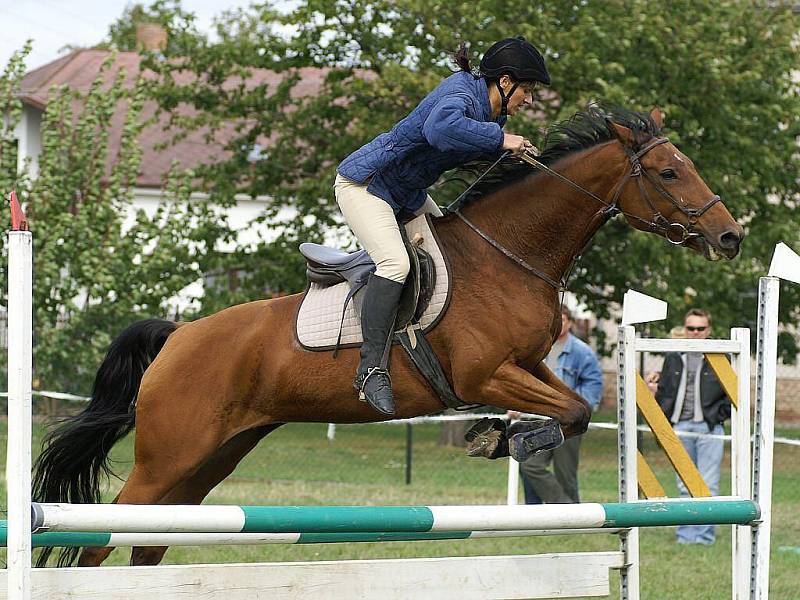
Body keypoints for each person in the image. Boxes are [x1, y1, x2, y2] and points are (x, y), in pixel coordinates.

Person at [335, 37, 551, 415]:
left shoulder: (491, 114)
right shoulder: (460, 94)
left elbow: (472, 151)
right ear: (504, 82)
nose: (529, 100)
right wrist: (501, 139)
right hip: (366, 185)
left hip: (406, 193)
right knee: (395, 265)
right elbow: (440, 130)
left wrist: (517, 157)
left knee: (458, 251)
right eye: (527, 90)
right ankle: (370, 370)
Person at [645, 308, 732, 545]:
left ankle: (704, 537)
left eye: (700, 329)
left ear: (708, 330)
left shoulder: (720, 356)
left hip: (708, 428)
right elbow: (666, 392)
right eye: (690, 328)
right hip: (680, 427)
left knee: (709, 485)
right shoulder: (674, 355)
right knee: (684, 485)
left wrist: (717, 416)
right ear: (685, 330)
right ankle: (685, 537)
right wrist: (662, 409)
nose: (695, 333)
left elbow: (733, 391)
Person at [513, 306, 603, 504]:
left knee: (565, 474)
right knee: (529, 465)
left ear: (569, 322)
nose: (559, 324)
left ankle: (573, 518)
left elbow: (593, 384)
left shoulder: (582, 352)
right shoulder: (536, 348)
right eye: (556, 319)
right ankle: (564, 508)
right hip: (538, 419)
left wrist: (578, 410)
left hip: (567, 422)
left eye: (563, 319)